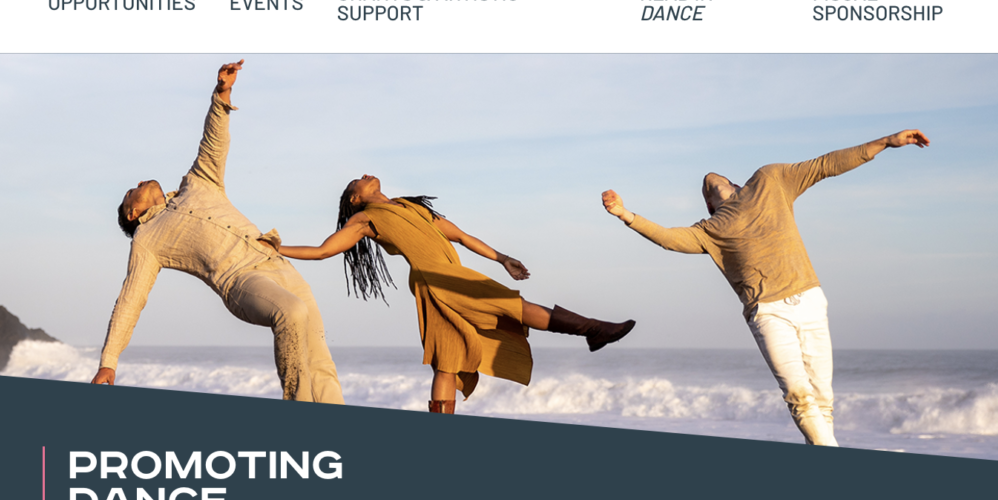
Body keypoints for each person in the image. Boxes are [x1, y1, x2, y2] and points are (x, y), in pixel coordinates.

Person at [601, 130, 930, 446]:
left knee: (823, 398)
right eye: (706, 190)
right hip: (768, 312)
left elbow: (827, 164)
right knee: (799, 397)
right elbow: (669, 239)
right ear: (710, 207)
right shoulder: (711, 229)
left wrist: (886, 142)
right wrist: (625, 214)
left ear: (738, 184)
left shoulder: (770, 180)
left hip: (811, 300)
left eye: (720, 180)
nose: (709, 180)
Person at [90, 61, 344, 404]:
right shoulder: (146, 240)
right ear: (133, 212)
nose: (137, 183)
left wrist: (222, 93)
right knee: (291, 312)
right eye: (129, 192)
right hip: (241, 282)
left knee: (320, 360)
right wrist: (109, 362)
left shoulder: (197, 183)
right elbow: (130, 301)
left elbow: (213, 142)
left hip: (277, 263)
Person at [278, 176, 635, 413]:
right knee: (512, 307)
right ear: (356, 197)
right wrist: (279, 248)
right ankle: (593, 330)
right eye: (357, 179)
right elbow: (324, 250)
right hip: (437, 279)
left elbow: (461, 236)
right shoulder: (365, 219)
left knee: (446, 360)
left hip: (447, 276)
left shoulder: (413, 208)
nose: (364, 172)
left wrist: (503, 258)